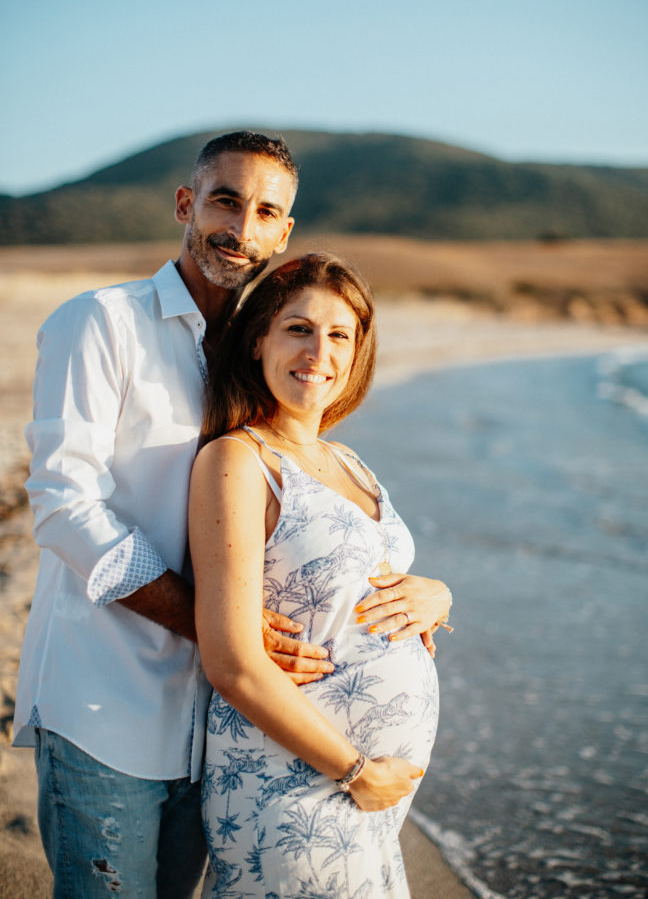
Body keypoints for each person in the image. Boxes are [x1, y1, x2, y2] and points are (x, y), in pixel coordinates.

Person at [13, 132, 448, 898]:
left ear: (284, 233)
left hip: (219, 731)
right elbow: (60, 505)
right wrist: (216, 627)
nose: (240, 228)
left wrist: (431, 594)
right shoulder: (104, 323)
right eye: (224, 200)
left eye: (266, 213)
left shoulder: (259, 357)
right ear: (187, 204)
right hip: (105, 701)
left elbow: (304, 532)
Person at [190, 252, 452, 898]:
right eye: (298, 329)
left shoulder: (349, 461)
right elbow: (231, 662)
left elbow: (369, 581)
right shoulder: (238, 459)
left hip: (368, 790)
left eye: (339, 335)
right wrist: (355, 768)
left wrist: (439, 595)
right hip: (297, 779)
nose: (319, 352)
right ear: (258, 341)